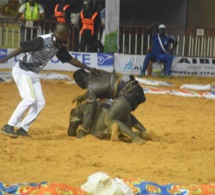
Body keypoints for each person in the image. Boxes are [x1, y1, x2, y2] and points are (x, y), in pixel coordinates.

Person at [0, 23, 98, 138]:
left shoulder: (58, 46)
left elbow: (70, 59)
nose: (68, 39)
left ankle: (23, 128)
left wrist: (88, 68)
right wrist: (5, 59)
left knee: (40, 102)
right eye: (67, 36)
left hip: (33, 74)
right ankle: (8, 126)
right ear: (61, 33)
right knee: (29, 99)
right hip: (22, 70)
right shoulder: (42, 40)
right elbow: (22, 48)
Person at [72, 69, 146, 144]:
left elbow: (89, 112)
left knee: (110, 120)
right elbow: (102, 87)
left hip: (126, 93)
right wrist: (83, 96)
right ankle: (144, 132)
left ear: (79, 81)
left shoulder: (90, 86)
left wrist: (83, 130)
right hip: (136, 89)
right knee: (120, 113)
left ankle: (135, 138)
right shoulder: (98, 73)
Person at [67, 99, 150, 143]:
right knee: (124, 130)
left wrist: (80, 132)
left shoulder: (76, 112)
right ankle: (143, 132)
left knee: (95, 134)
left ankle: (111, 129)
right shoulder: (94, 101)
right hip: (119, 107)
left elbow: (71, 133)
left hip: (105, 110)